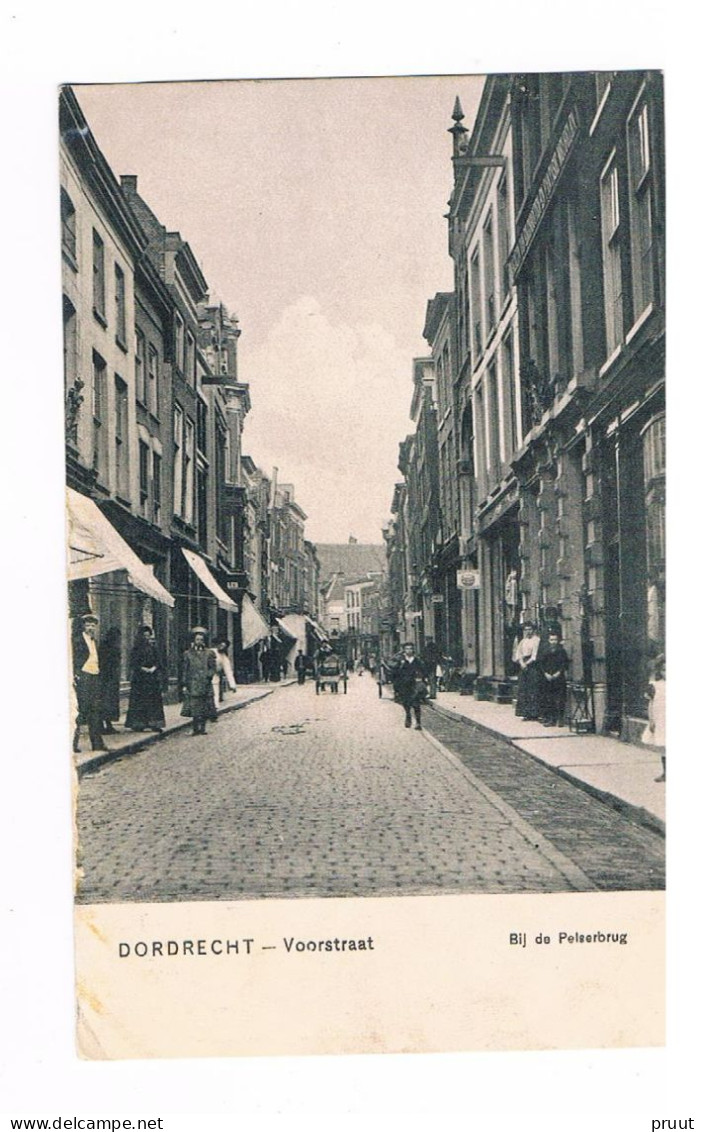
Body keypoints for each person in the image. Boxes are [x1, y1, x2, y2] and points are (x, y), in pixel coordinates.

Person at [71, 612, 106, 753]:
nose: (90, 627)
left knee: (95, 711)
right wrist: (75, 674)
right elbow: (72, 658)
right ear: (83, 626)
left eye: (93, 625)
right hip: (83, 677)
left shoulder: (94, 641)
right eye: (88, 625)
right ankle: (72, 744)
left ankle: (97, 744)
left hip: (94, 677)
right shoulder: (77, 640)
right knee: (80, 711)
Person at [125, 625, 166, 732]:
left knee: (153, 701)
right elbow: (133, 663)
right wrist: (142, 668)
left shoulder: (153, 648)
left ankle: (154, 723)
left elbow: (159, 661)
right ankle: (139, 724)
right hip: (140, 679)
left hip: (152, 679)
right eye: (145, 636)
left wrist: (154, 668)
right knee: (140, 701)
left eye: (148, 636)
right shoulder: (136, 649)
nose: (147, 638)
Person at [181, 626, 217, 736]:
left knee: (205, 706)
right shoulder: (187, 654)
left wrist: (208, 676)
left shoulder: (209, 653)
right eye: (197, 639)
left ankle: (203, 728)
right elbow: (185, 670)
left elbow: (213, 668)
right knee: (195, 707)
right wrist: (184, 684)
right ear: (194, 640)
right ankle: (196, 728)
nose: (199, 642)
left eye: (201, 640)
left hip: (205, 683)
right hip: (193, 684)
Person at [391, 641, 428, 730]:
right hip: (404, 685)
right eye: (407, 649)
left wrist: (421, 678)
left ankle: (418, 723)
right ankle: (408, 716)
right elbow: (394, 672)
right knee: (406, 703)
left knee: (416, 703)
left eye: (411, 649)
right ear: (404, 650)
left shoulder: (417, 660)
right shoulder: (400, 660)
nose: (409, 650)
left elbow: (424, 671)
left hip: (414, 684)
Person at [537, 631, 569, 726]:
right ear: (548, 640)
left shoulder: (562, 651)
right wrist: (546, 673)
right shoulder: (544, 651)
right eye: (551, 640)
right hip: (547, 678)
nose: (553, 642)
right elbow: (541, 664)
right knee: (549, 698)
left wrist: (558, 673)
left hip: (559, 677)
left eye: (555, 640)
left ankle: (560, 719)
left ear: (558, 640)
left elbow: (565, 663)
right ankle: (551, 719)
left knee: (560, 698)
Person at [643, 655, 666, 782]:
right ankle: (666, 772)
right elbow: (651, 703)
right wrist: (651, 720)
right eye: (664, 670)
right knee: (664, 746)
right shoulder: (655, 685)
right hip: (662, 719)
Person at [513, 621, 540, 720]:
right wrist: (521, 662)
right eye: (526, 629)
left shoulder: (536, 640)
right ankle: (525, 713)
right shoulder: (523, 641)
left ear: (533, 630)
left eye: (530, 629)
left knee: (532, 689)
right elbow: (518, 653)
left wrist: (526, 663)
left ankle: (534, 713)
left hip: (532, 667)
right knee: (523, 690)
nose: (528, 631)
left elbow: (534, 656)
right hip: (523, 666)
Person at [98, 626, 122, 734]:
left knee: (110, 702)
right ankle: (103, 725)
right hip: (106, 678)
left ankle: (108, 725)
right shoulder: (107, 646)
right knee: (106, 702)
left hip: (111, 678)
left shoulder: (112, 646)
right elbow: (104, 662)